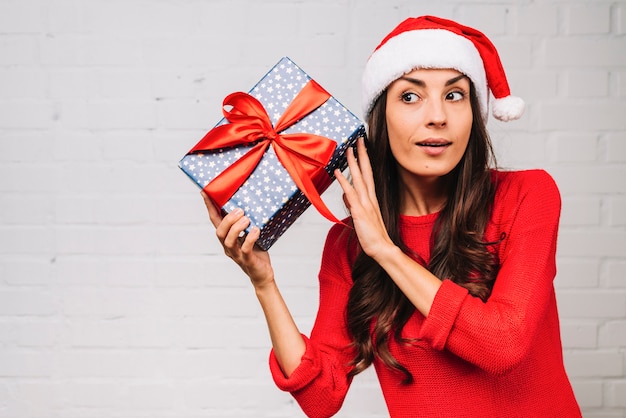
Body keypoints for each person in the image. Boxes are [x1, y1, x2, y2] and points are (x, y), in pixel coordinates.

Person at [202, 15, 582, 418]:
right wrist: (264, 283)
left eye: (455, 95)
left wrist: (385, 250)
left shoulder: (527, 196)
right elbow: (321, 397)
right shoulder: (348, 245)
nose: (437, 115)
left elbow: (502, 344)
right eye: (410, 97)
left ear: (476, 113)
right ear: (380, 117)